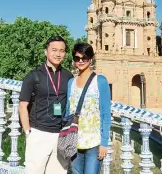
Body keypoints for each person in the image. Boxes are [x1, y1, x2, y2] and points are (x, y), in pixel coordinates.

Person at [19, 36, 73, 174]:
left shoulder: (68, 76)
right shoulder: (33, 76)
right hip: (38, 133)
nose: (58, 54)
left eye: (62, 50)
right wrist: (27, 133)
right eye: (54, 50)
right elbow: (22, 106)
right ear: (46, 52)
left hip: (61, 134)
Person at [66, 42, 111, 174]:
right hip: (74, 141)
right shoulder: (71, 83)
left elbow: (106, 114)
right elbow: (69, 111)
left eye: (84, 58)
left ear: (90, 59)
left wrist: (104, 142)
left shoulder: (100, 81)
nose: (80, 61)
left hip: (94, 142)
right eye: (77, 58)